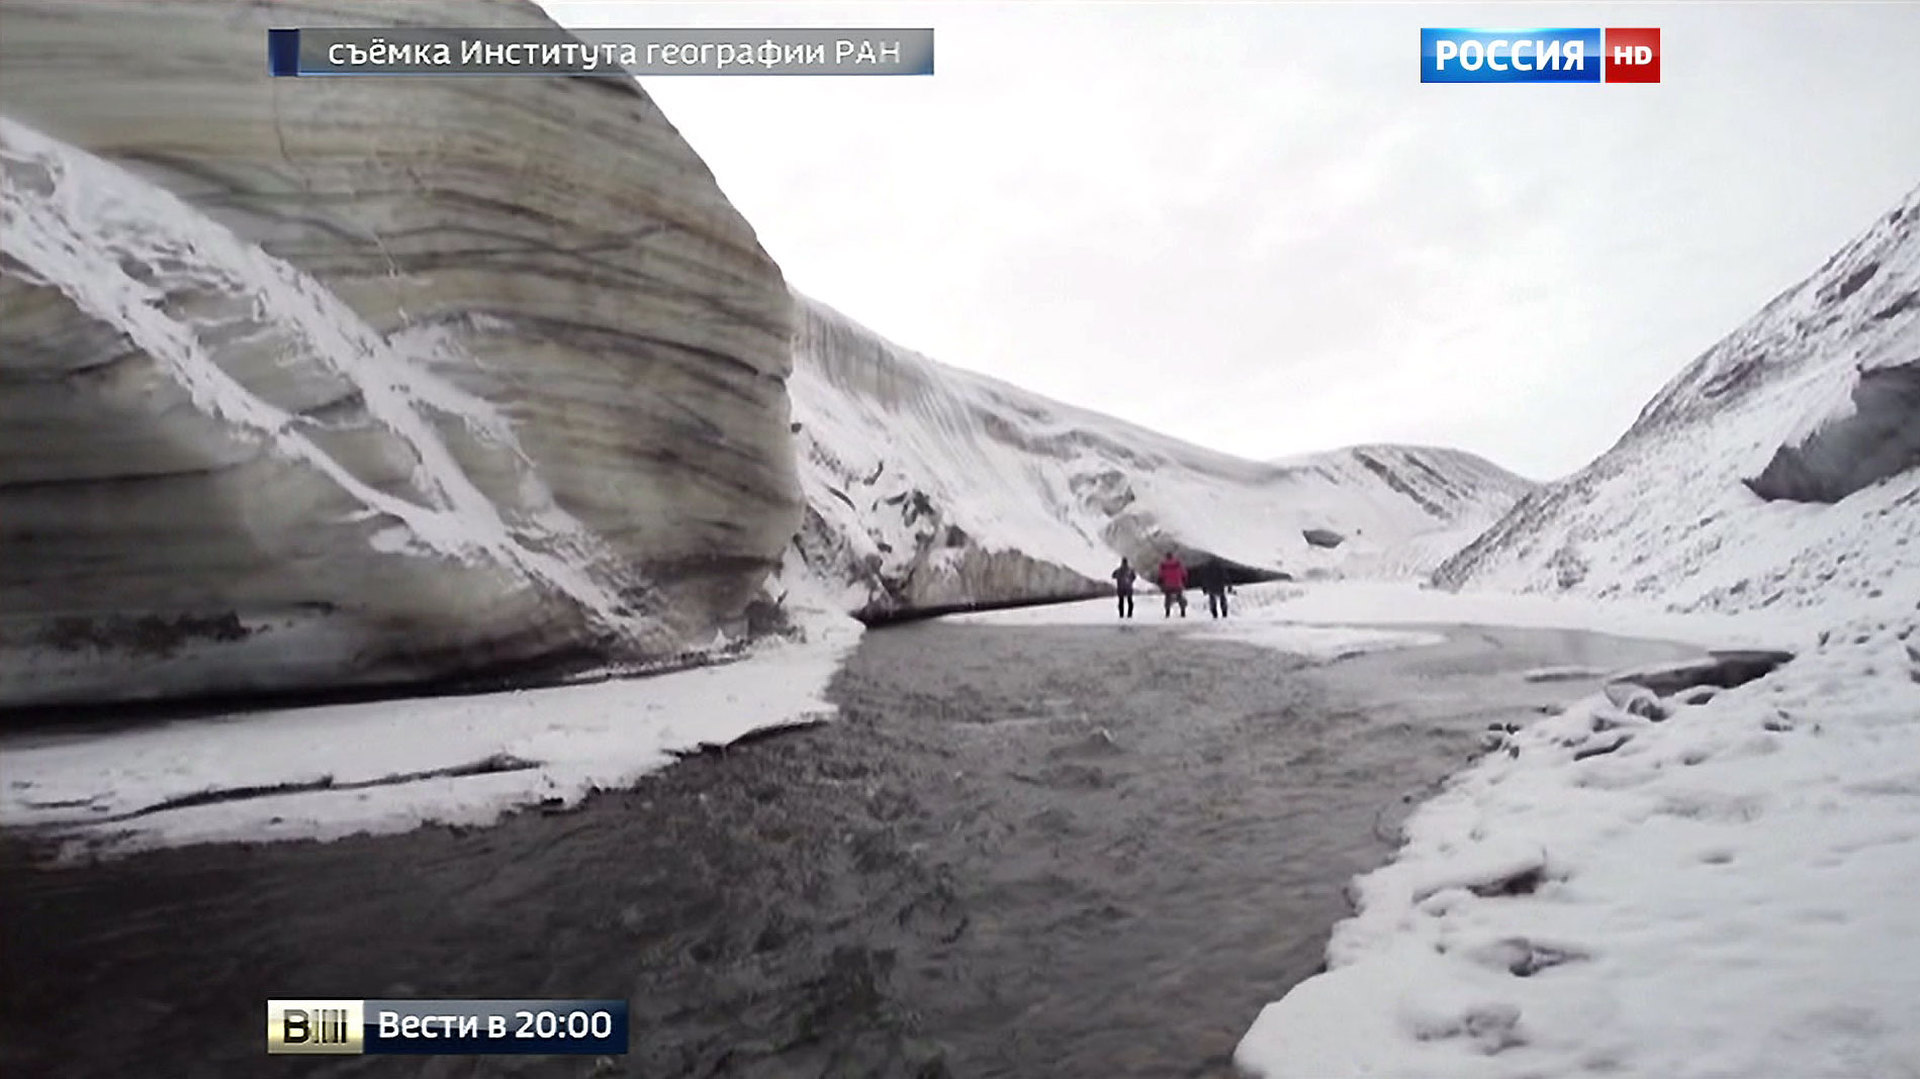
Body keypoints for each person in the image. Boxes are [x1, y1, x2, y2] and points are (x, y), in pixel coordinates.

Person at [1156, 551, 1188, 617]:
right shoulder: (1178, 563)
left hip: (1167, 584)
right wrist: (1184, 580)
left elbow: (1160, 574)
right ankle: (1183, 611)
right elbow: (1183, 572)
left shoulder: (1163, 564)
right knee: (1180, 597)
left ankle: (1167, 612)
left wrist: (1160, 581)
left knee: (1168, 598)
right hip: (1177, 583)